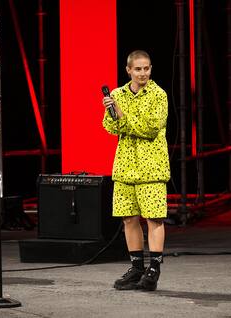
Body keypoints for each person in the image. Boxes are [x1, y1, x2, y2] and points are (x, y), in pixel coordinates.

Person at [102, 50, 170, 291]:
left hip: (151, 167)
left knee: (153, 219)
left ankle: (154, 268)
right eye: (138, 69)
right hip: (125, 167)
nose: (143, 73)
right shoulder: (118, 94)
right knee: (129, 219)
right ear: (128, 70)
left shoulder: (158, 95)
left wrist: (122, 115)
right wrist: (111, 111)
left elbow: (151, 128)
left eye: (147, 68)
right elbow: (109, 127)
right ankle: (137, 267)